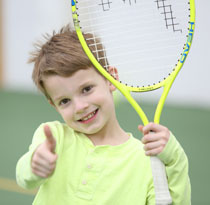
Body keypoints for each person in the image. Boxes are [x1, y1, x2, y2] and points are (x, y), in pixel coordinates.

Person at [16, 25, 191, 205]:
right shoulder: (53, 137)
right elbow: (25, 177)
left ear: (111, 78)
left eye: (86, 89)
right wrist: (35, 165)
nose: (80, 107)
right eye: (65, 101)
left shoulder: (145, 160)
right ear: (54, 105)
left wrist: (176, 160)